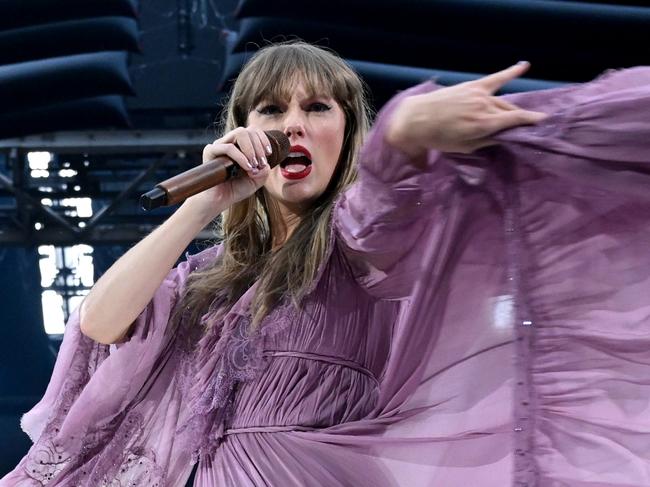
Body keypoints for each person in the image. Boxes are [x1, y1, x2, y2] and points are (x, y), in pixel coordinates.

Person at [3, 41, 650, 486]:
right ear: (243, 129)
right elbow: (102, 321)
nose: (293, 127)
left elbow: (383, 199)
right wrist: (205, 204)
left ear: (346, 132)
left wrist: (405, 130)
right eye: (272, 110)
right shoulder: (199, 279)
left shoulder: (358, 242)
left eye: (317, 108)